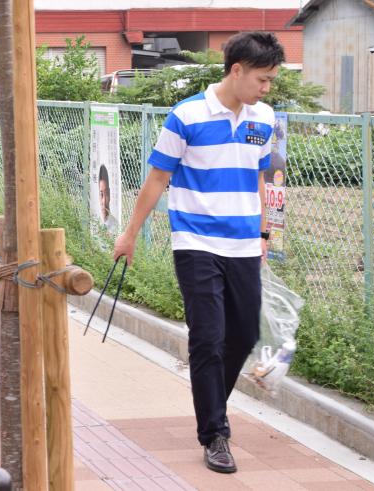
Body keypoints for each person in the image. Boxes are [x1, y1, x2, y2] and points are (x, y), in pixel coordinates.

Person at [113, 32, 282, 475]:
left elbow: (261, 178)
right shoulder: (185, 115)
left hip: (244, 243)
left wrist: (264, 233)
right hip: (195, 241)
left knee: (243, 336)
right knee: (208, 336)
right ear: (237, 70)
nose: (267, 89)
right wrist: (130, 233)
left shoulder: (264, 118)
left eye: (271, 82)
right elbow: (156, 179)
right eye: (262, 80)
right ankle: (215, 433)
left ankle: (209, 404)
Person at [97, 164, 117, 232]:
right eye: (101, 194)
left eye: (107, 194)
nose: (104, 201)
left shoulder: (115, 225)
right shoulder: (95, 222)